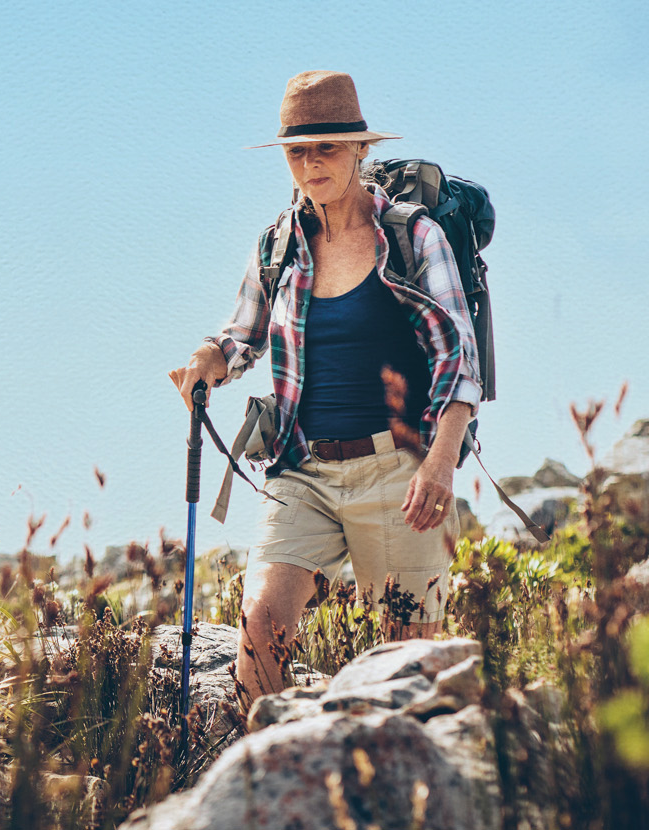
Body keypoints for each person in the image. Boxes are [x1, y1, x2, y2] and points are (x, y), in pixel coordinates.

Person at [167, 71, 482, 703]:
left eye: (328, 148)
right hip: (301, 470)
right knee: (260, 629)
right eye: (297, 151)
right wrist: (210, 358)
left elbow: (458, 359)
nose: (311, 165)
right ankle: (270, 779)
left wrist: (441, 462)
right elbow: (243, 333)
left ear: (360, 150)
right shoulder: (279, 243)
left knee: (412, 667)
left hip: (399, 472)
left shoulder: (414, 236)